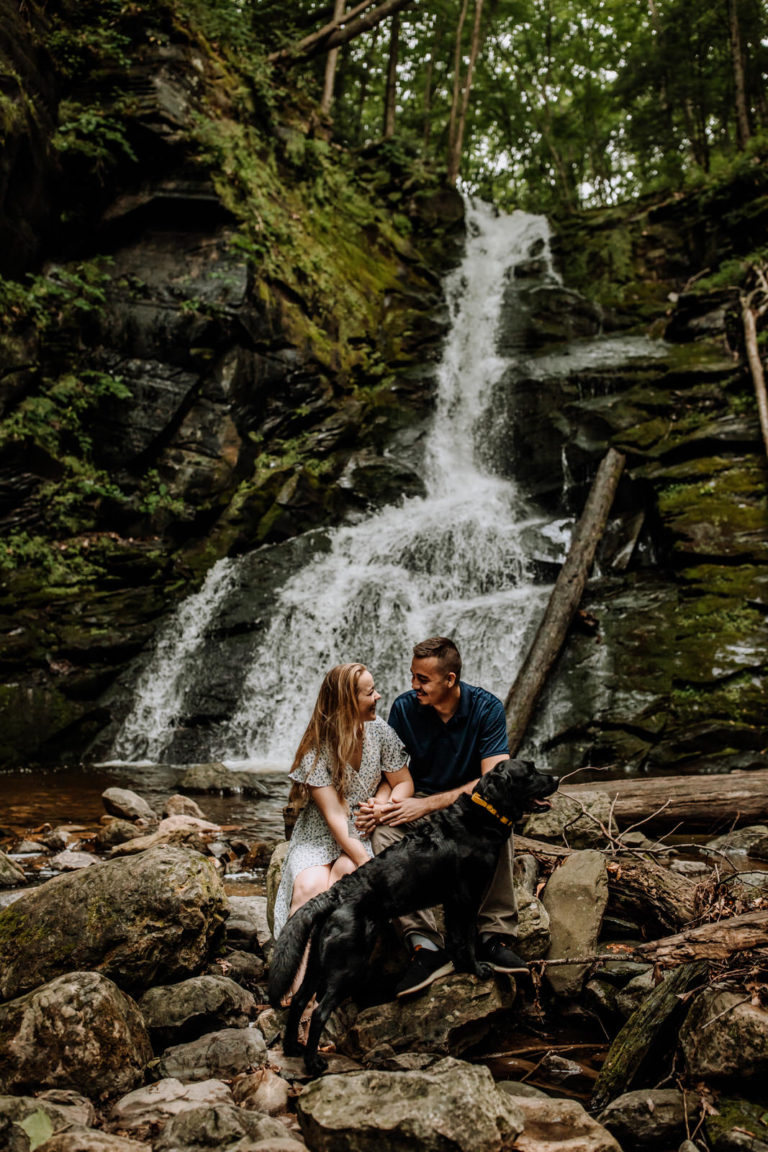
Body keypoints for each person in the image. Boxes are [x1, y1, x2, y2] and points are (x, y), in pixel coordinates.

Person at [358, 636, 525, 997]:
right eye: (413, 676)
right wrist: (382, 804)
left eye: (423, 679)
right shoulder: (404, 708)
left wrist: (427, 805)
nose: (413, 686)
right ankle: (426, 946)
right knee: (382, 835)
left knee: (499, 822)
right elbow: (392, 773)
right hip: (417, 801)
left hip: (469, 806)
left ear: (450, 680)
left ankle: (493, 937)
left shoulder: (487, 709)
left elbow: (494, 781)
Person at [272, 662, 413, 944]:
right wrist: (366, 862)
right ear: (348, 703)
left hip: (365, 830)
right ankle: (293, 982)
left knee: (346, 878)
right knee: (308, 888)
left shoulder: (380, 731)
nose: (378, 697)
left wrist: (383, 806)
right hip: (320, 834)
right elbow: (336, 818)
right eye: (370, 692)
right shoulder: (316, 748)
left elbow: (403, 782)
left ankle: (329, 978)